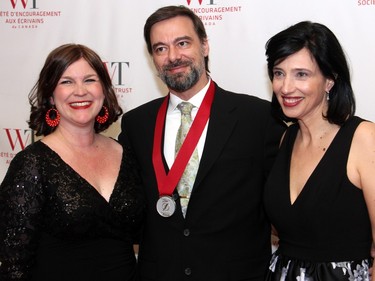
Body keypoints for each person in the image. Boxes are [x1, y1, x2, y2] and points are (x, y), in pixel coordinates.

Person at [118, 5, 285, 281]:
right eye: (160, 48)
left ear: (205, 46)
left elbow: (286, 207)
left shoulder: (258, 118)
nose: (173, 56)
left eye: (182, 43)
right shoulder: (137, 124)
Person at [0, 44, 145, 281]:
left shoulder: (125, 153)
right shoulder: (32, 164)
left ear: (104, 90)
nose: (80, 91)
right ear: (50, 95)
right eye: (66, 82)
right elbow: (14, 266)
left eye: (89, 80)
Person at [263, 21, 375, 280]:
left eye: (301, 74)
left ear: (329, 81)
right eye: (279, 73)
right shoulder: (286, 140)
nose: (286, 87)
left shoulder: (363, 139)